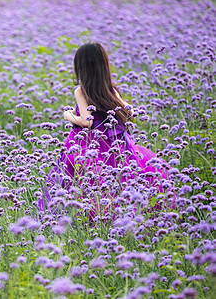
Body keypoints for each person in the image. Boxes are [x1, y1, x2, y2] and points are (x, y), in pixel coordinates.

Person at [40, 42, 171, 221]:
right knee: (121, 178)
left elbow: (87, 122)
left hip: (89, 145)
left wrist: (69, 115)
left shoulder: (81, 90)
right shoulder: (111, 89)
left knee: (79, 179)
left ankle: (73, 217)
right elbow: (130, 112)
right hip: (115, 145)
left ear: (82, 67)